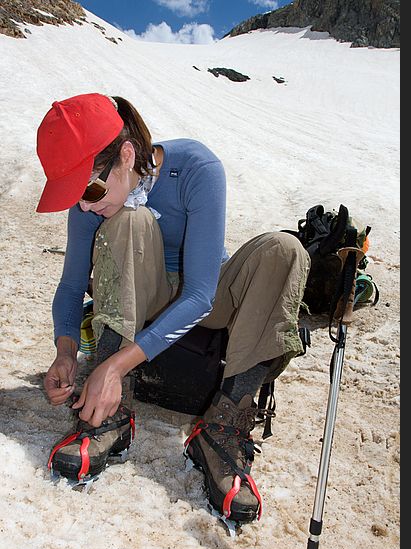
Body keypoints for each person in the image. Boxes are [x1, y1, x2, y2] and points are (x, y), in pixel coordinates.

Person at [37, 93, 310, 522]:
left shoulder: (197, 168)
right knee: (127, 219)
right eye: (76, 196)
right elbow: (72, 287)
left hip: (207, 299)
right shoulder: (93, 201)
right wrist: (67, 353)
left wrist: (110, 368)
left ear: (126, 155)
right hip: (143, 297)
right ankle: (110, 414)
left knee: (284, 249)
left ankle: (223, 424)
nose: (85, 205)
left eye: (88, 188)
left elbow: (200, 296)